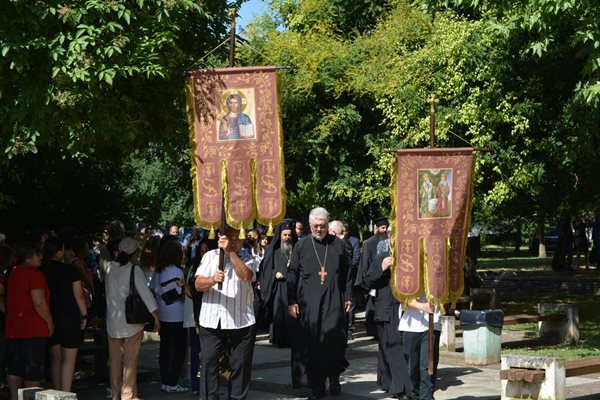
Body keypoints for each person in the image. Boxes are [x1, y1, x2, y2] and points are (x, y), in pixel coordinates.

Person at [287, 207, 353, 399]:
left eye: (322, 226)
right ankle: (317, 387)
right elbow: (292, 275)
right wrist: (292, 301)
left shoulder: (339, 245)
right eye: (315, 226)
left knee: (334, 343)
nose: (319, 229)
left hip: (333, 300)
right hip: (309, 303)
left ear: (327, 225)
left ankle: (334, 376)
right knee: (314, 346)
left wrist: (348, 295)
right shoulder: (301, 246)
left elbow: (348, 273)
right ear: (309, 225)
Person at [194, 227, 260, 400]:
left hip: (241, 321)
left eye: (237, 238)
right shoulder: (210, 256)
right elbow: (198, 284)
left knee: (240, 366)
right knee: (208, 363)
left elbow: (246, 276)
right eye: (230, 237)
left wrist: (230, 253)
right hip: (211, 320)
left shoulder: (249, 257)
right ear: (220, 237)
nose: (234, 241)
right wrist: (212, 280)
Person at [105, 237, 160, 400]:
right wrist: (156, 316)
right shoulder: (133, 270)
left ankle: (116, 393)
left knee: (115, 361)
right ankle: (128, 395)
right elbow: (146, 295)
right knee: (130, 362)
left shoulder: (109, 268)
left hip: (113, 322)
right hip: (131, 323)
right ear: (135, 252)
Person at [364, 227, 411, 399]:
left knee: (397, 348)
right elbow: (368, 281)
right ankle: (399, 388)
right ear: (389, 239)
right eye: (393, 237)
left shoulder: (408, 259)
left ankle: (394, 383)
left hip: (405, 307)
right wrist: (382, 268)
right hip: (386, 308)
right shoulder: (381, 257)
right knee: (391, 347)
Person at [3, 241, 53, 400]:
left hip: (14, 327)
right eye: (38, 255)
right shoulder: (35, 275)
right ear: (29, 258)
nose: (41, 257)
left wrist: (9, 310)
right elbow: (39, 302)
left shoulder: (11, 273)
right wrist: (50, 321)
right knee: (32, 368)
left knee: (15, 367)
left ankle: (14, 397)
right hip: (34, 327)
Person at [41, 236, 88, 392]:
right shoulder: (69, 270)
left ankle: (56, 392)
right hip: (69, 316)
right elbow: (79, 295)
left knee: (55, 358)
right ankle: (65, 393)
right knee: (69, 359)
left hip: (49, 316)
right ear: (59, 252)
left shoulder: (41, 270)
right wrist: (85, 315)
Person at [150, 240, 187, 393]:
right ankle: (173, 382)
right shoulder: (177, 271)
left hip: (162, 313)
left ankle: (165, 381)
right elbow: (182, 293)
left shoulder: (158, 271)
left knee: (165, 349)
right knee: (179, 349)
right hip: (177, 314)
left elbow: (151, 289)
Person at [258, 220, 298, 349]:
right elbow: (265, 269)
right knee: (280, 312)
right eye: (285, 235)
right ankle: (279, 339)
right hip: (279, 287)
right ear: (280, 235)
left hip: (294, 286)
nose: (287, 237)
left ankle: (293, 339)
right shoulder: (273, 250)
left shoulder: (297, 249)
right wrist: (275, 273)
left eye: (289, 235)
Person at [399, 297, 441, 400]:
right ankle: (413, 395)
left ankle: (427, 398)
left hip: (432, 325)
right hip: (410, 325)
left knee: (427, 366)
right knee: (412, 368)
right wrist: (421, 306)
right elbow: (401, 296)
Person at [354, 216, 389, 339]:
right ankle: (373, 332)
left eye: (386, 227)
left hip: (386, 281)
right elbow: (365, 263)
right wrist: (366, 281)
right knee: (372, 308)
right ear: (377, 228)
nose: (385, 230)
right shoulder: (369, 243)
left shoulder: (390, 241)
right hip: (373, 278)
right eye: (382, 228)